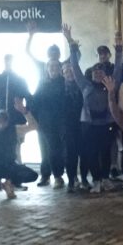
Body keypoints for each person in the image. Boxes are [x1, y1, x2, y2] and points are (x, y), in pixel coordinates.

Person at [70, 31, 119, 193]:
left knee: (105, 153)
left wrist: (119, 51)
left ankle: (105, 179)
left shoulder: (110, 84)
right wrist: (72, 47)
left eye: (101, 72)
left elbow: (118, 70)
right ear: (91, 75)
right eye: (95, 73)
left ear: (105, 75)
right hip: (89, 126)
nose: (98, 74)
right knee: (91, 153)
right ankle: (96, 180)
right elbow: (75, 67)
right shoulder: (85, 85)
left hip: (106, 124)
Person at [30, 59, 67, 188]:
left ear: (60, 68)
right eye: (51, 66)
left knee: (55, 150)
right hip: (43, 122)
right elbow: (35, 101)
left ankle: (58, 176)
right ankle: (45, 175)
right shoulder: (42, 83)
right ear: (47, 68)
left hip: (59, 122)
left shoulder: (64, 82)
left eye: (56, 66)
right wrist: (33, 120)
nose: (53, 68)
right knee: (44, 150)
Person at [0, 54, 30, 127]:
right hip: (0, 119)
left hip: (18, 119)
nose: (8, 62)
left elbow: (29, 100)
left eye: (10, 61)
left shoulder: (21, 80)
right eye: (6, 60)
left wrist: (27, 114)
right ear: (4, 62)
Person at [60, 62, 84, 193]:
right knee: (70, 154)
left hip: (82, 123)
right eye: (66, 71)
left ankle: (84, 179)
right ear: (63, 74)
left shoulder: (82, 85)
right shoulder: (59, 88)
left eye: (71, 70)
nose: (69, 73)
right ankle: (71, 179)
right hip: (66, 125)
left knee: (84, 152)